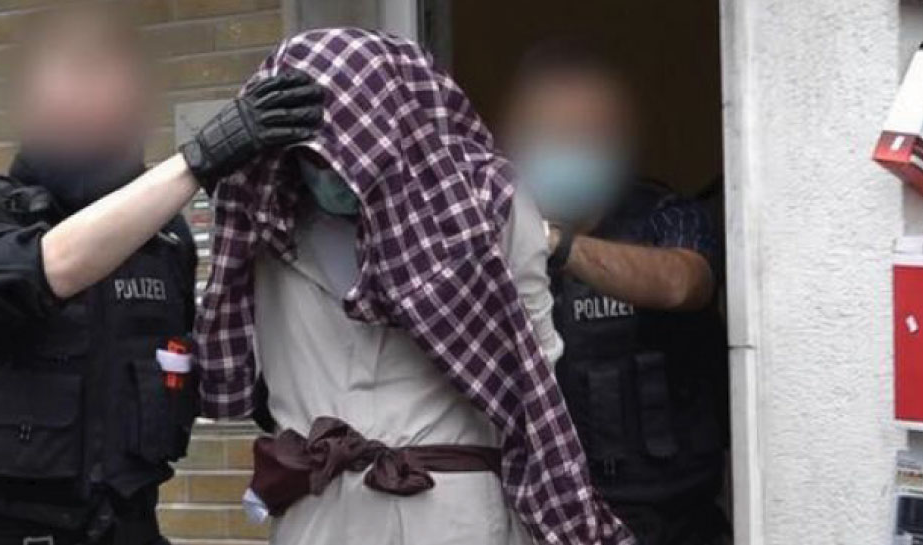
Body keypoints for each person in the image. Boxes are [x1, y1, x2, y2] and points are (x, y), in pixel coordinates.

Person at [0, 6, 324, 545]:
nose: (100, 94)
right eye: (78, 70)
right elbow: (29, 277)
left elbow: (210, 370)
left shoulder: (165, 241)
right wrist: (200, 160)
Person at [198, 29, 633, 545]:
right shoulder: (263, 219)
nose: (328, 171)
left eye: (344, 149)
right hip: (320, 516)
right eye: (309, 156)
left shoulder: (485, 204)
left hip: (451, 513)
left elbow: (534, 370)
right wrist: (200, 158)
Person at [505, 40, 731, 545]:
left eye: (585, 136)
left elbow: (684, 283)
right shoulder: (503, 233)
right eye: (554, 136)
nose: (568, 151)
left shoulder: (665, 215)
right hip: (555, 516)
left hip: (676, 519)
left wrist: (558, 246)